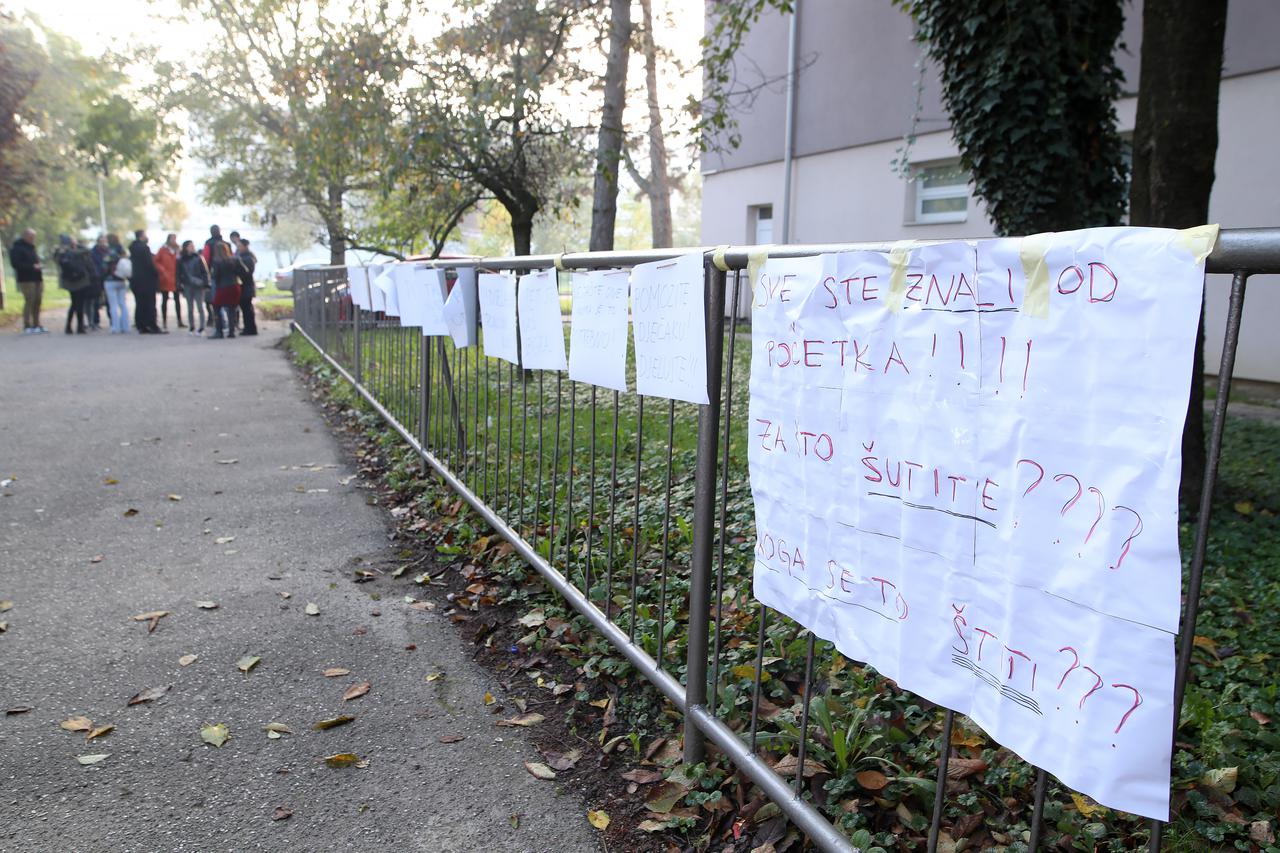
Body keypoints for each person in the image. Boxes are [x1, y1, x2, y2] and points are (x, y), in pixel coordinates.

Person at [8, 228, 46, 334]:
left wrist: (38, 266)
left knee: (38, 301)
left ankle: (36, 324)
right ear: (25, 236)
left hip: (37, 278)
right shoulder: (17, 248)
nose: (33, 239)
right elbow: (16, 264)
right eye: (31, 237)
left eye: (34, 237)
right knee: (30, 300)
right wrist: (32, 267)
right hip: (26, 279)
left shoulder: (32, 247)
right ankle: (27, 325)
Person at [54, 235, 94, 334]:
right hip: (78, 280)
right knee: (78, 303)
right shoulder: (73, 251)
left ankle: (71, 326)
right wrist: (78, 245)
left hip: (71, 280)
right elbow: (87, 250)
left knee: (75, 304)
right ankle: (79, 326)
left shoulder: (60, 251)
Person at [128, 230, 162, 334]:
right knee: (150, 303)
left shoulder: (133, 248)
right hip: (147, 280)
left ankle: (141, 325)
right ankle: (151, 324)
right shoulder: (144, 248)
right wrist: (156, 273)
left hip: (136, 280)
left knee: (140, 303)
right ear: (142, 236)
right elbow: (149, 264)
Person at [209, 241, 242, 339]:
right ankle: (231, 331)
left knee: (216, 307)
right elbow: (243, 271)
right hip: (234, 286)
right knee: (231, 308)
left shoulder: (217, 262)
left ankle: (219, 331)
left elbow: (215, 276)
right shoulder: (234, 260)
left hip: (223, 287)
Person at [176, 239, 210, 334]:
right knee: (190, 307)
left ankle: (202, 327)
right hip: (187, 285)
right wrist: (179, 285)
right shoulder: (181, 260)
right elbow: (178, 274)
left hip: (198, 285)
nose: (192, 247)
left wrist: (206, 284)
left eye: (193, 245)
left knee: (200, 307)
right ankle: (192, 326)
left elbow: (205, 272)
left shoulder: (199, 258)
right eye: (190, 246)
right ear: (186, 248)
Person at [154, 233, 183, 330]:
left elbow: (180, 262)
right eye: (173, 239)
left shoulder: (177, 250)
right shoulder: (163, 250)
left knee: (177, 300)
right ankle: (164, 321)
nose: (174, 241)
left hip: (175, 278)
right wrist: (162, 270)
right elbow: (156, 261)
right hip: (165, 278)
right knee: (164, 300)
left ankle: (179, 320)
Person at [104, 239, 131, 334]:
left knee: (113, 305)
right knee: (122, 304)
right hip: (122, 281)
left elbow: (104, 268)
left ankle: (115, 326)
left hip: (110, 281)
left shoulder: (109, 255)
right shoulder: (123, 257)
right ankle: (126, 326)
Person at [236, 238, 258, 336]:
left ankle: (250, 328)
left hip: (247, 287)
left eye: (240, 246)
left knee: (247, 309)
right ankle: (248, 327)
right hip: (244, 287)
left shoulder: (248, 258)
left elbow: (247, 273)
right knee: (245, 308)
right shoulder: (242, 256)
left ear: (245, 246)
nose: (238, 248)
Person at [88, 235, 111, 329]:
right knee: (96, 300)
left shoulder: (109, 251)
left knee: (109, 300)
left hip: (107, 277)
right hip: (97, 278)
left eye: (105, 241)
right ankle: (95, 321)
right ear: (98, 242)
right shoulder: (93, 252)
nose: (104, 243)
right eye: (102, 241)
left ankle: (112, 320)